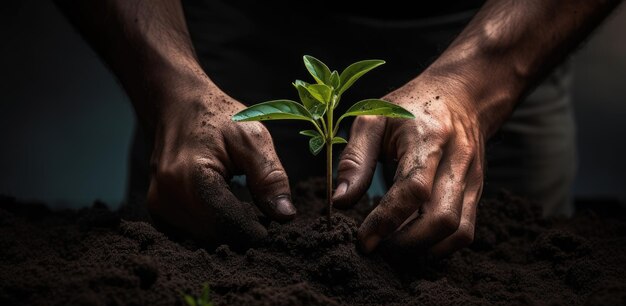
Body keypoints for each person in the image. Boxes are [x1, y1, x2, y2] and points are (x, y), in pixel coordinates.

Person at [55, 0, 621, 256]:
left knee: (498, 251)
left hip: (500, 17)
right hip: (235, 17)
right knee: (188, 229)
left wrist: (481, 79)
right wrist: (169, 80)